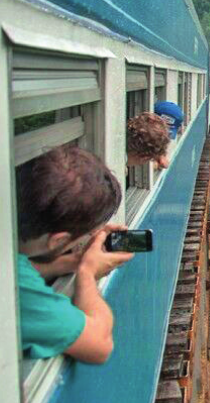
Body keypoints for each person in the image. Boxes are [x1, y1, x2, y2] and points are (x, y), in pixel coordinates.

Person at [17, 146, 133, 363]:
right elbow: (100, 345)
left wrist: (72, 261)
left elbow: (21, 267)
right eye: (85, 234)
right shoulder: (19, 294)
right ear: (59, 240)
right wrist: (87, 272)